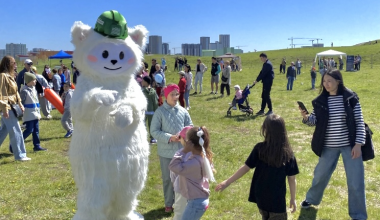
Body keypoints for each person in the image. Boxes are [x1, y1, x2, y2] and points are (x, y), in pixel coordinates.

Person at [299, 70, 367, 220]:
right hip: (328, 146)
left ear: (338, 81)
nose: (326, 84)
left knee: (355, 181)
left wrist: (358, 144)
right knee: (320, 176)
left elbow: (359, 121)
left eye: (329, 81)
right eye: (324, 81)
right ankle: (311, 200)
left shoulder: (350, 98)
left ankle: (358, 215)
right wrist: (306, 117)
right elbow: (315, 121)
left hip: (350, 147)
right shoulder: (321, 100)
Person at [215, 114, 298, 220]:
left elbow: (245, 167)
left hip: (261, 197)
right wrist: (293, 199)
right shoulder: (288, 154)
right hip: (277, 201)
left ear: (265, 129)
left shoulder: (259, 149)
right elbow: (291, 179)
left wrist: (228, 182)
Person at [150, 84, 193, 213]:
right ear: (165, 96)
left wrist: (185, 134)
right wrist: (169, 137)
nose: (176, 97)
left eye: (177, 94)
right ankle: (169, 203)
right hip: (166, 153)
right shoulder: (160, 112)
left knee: (183, 178)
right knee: (168, 179)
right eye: (173, 94)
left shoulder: (183, 111)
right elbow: (154, 131)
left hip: (182, 152)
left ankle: (182, 202)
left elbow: (190, 126)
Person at [169, 126, 215, 220]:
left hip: (195, 203)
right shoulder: (202, 157)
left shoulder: (193, 163)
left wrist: (184, 151)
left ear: (190, 143)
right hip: (199, 200)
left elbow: (173, 166)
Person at [0, 56, 30, 161]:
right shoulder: (3, 76)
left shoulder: (11, 76)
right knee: (16, 130)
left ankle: (20, 154)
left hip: (12, 106)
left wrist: (20, 103)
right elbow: (2, 94)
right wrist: (4, 109)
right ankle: (20, 155)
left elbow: (15, 92)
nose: (16, 64)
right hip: (8, 107)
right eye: (14, 62)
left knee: (3, 130)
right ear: (8, 64)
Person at [18, 72, 47, 152]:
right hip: (28, 114)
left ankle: (37, 146)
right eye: (34, 80)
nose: (35, 81)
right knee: (29, 130)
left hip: (35, 114)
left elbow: (36, 101)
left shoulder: (34, 89)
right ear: (29, 81)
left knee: (36, 130)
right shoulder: (24, 91)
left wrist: (38, 113)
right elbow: (21, 103)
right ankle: (15, 144)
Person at [170, 126, 193, 220]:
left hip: (181, 188)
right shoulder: (200, 154)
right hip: (196, 190)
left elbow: (173, 172)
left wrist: (174, 184)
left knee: (179, 213)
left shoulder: (179, 154)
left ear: (183, 140)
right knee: (192, 213)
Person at [141, 76, 158, 144]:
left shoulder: (142, 91)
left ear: (146, 82)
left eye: (143, 81)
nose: (142, 82)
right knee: (151, 125)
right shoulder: (153, 91)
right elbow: (155, 102)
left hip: (143, 110)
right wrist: (156, 110)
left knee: (142, 125)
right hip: (151, 111)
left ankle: (142, 138)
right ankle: (153, 138)